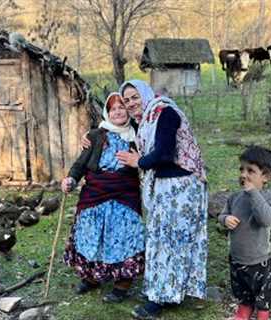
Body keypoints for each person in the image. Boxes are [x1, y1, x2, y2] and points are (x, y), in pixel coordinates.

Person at [113, 80, 208, 319]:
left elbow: (165, 153)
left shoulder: (164, 112)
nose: (131, 103)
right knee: (163, 239)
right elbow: (118, 130)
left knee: (172, 241)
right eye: (127, 100)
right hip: (167, 186)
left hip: (181, 187)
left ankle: (162, 298)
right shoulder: (145, 120)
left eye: (135, 97)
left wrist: (140, 162)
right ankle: (167, 291)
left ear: (145, 94)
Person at [62, 92, 145, 303]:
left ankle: (122, 283)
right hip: (95, 193)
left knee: (124, 236)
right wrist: (71, 179)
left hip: (125, 194)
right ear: (107, 113)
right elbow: (81, 163)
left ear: (128, 110)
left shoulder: (139, 133)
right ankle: (91, 278)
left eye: (121, 107)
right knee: (91, 234)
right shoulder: (96, 135)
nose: (117, 112)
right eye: (113, 109)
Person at [218, 146, 271, 320]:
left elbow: (266, 219)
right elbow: (222, 215)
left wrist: (253, 193)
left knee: (262, 294)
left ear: (266, 177)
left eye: (251, 171)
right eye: (242, 169)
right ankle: (244, 309)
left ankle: (262, 314)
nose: (243, 175)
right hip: (237, 258)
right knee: (242, 289)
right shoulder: (234, 197)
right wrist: (225, 219)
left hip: (260, 260)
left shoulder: (268, 198)